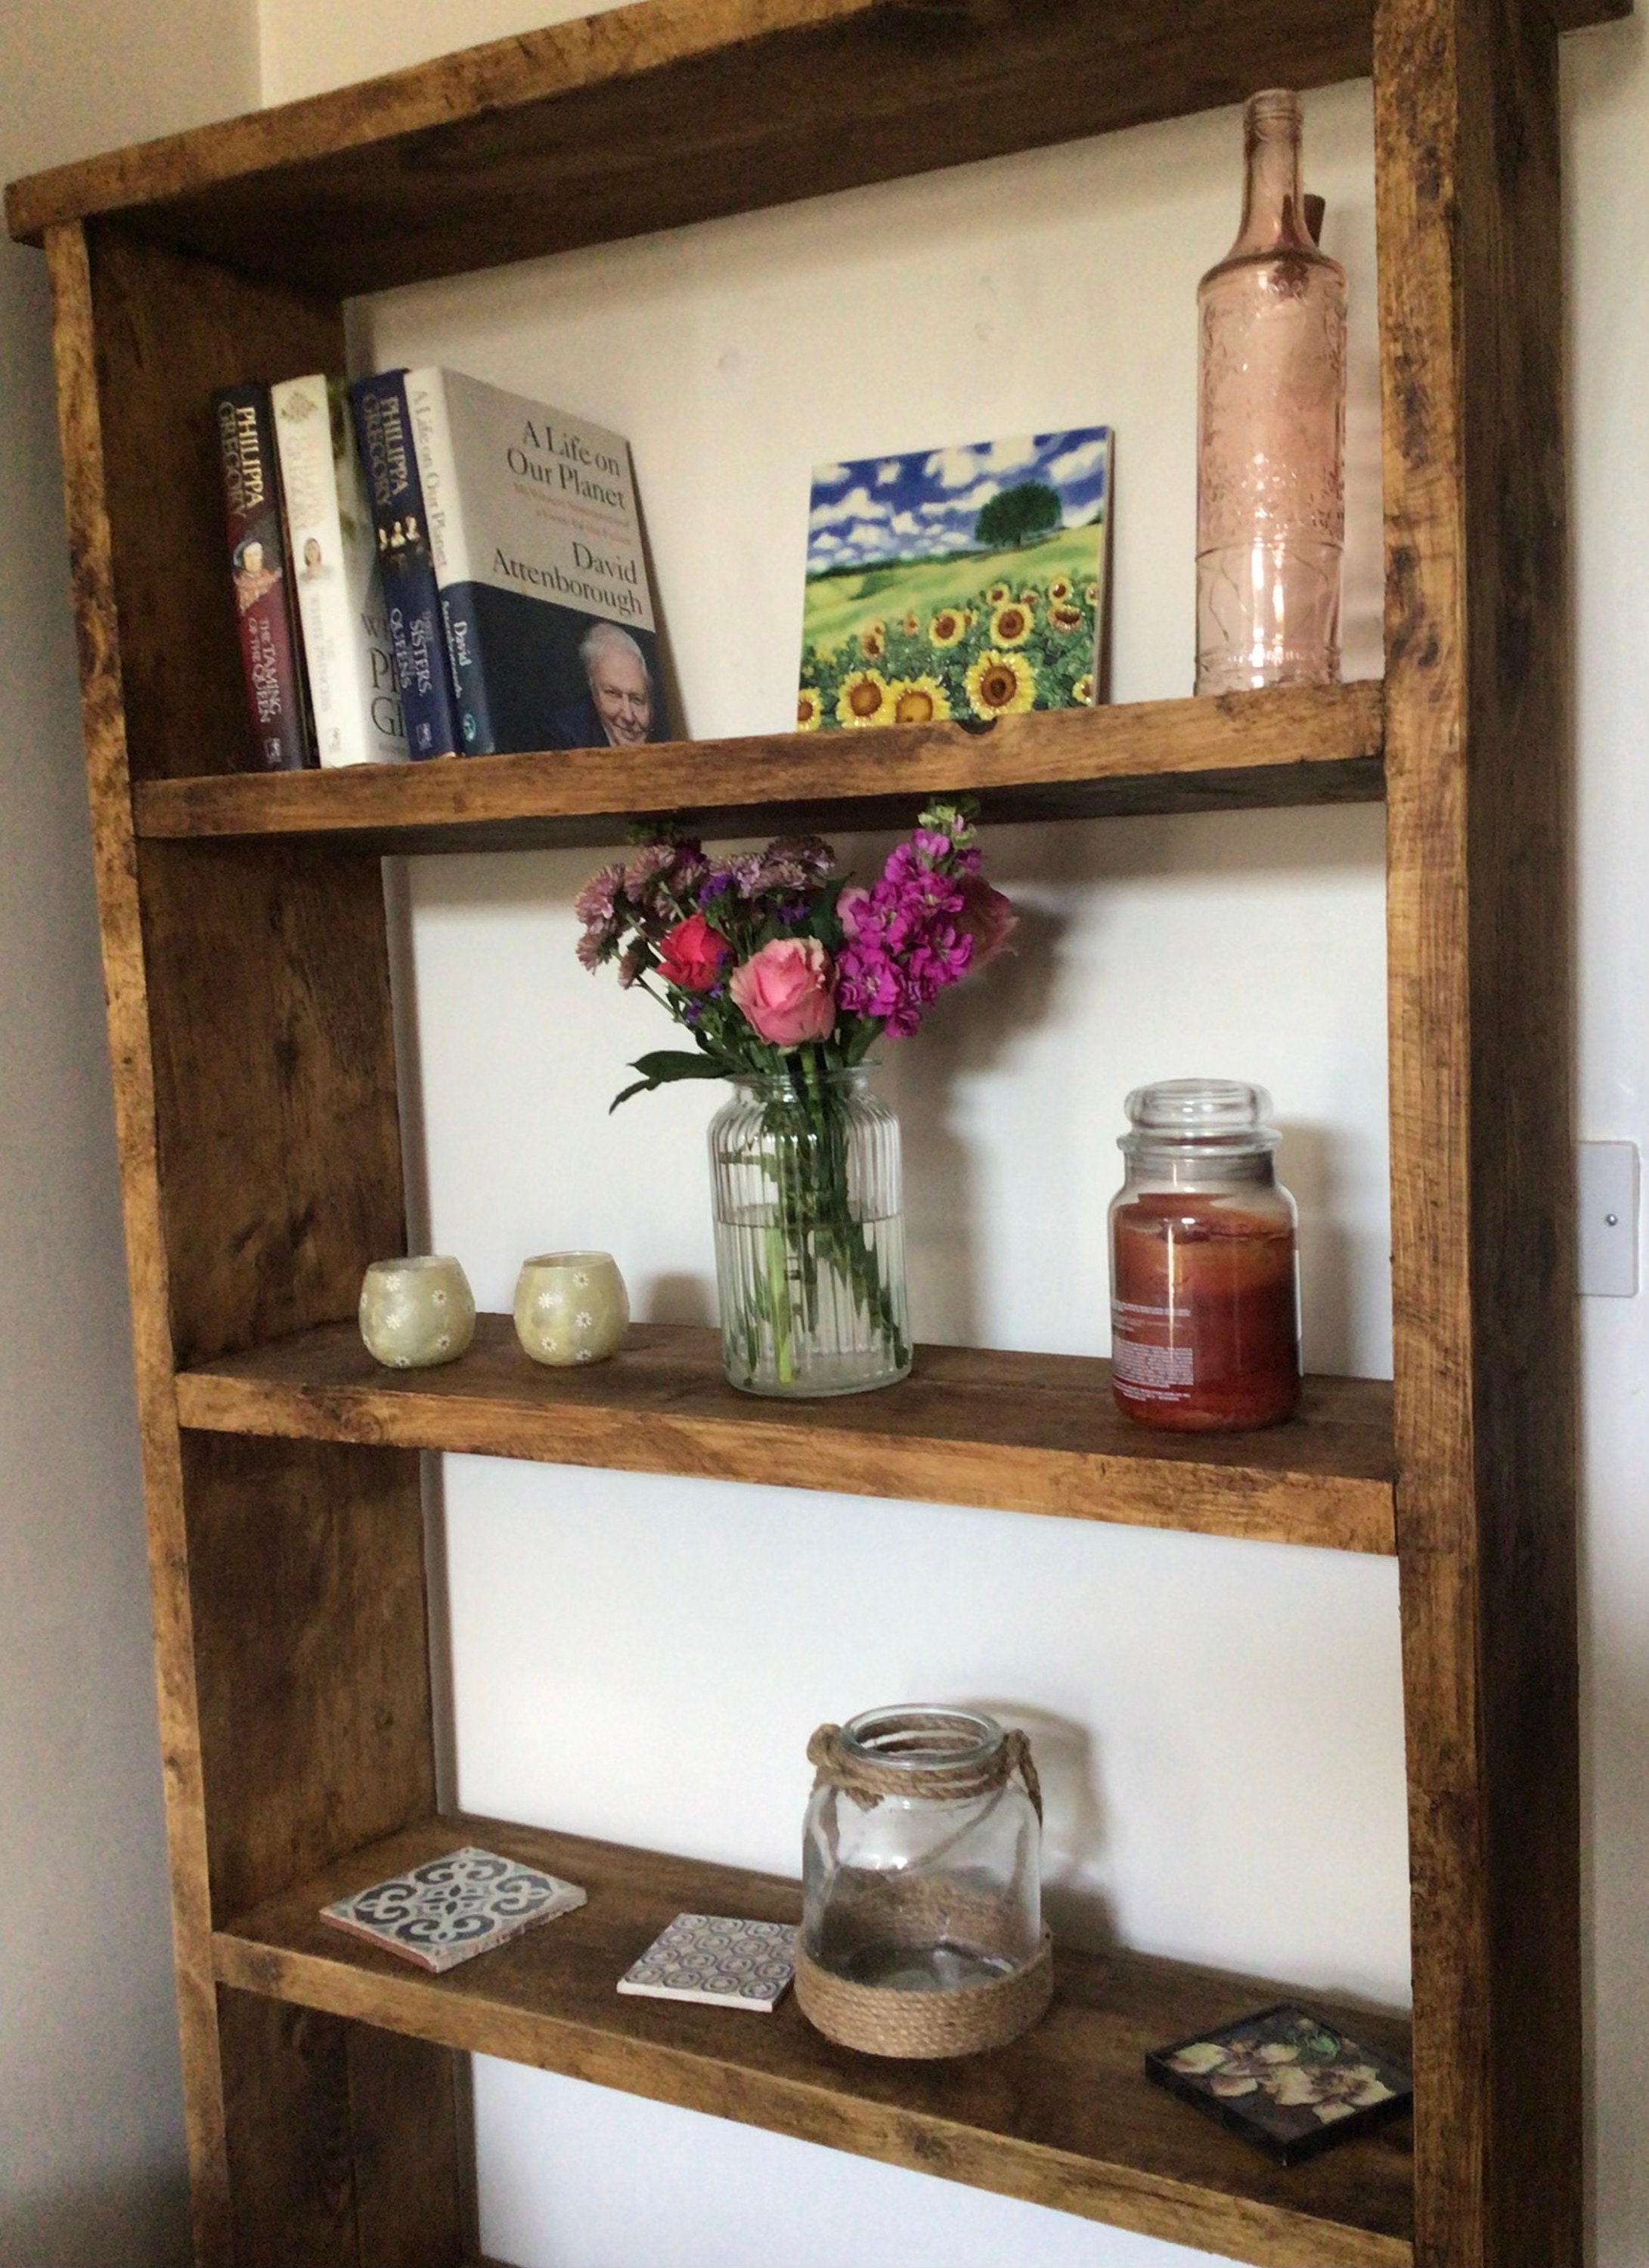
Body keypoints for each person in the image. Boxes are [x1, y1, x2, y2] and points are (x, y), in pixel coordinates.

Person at [551, 621, 656, 749]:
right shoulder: (566, 736)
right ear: (593, 694)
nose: (628, 717)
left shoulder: (666, 733)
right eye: (613, 694)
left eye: (636, 700)